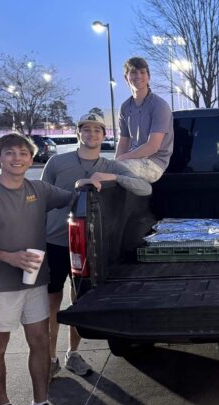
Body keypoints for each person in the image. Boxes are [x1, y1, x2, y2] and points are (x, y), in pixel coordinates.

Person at [42, 113, 152, 379]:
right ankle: (49, 357)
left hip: (89, 246)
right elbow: (40, 198)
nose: (91, 134)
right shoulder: (58, 162)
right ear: (79, 132)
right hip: (56, 242)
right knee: (50, 301)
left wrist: (111, 177)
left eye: (97, 130)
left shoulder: (109, 165)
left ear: (104, 135)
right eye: (86, 129)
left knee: (79, 300)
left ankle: (73, 354)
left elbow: (144, 188)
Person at [0, 134, 71, 405]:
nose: (17, 158)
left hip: (35, 282)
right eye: (9, 153)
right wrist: (8, 257)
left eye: (22, 153)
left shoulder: (39, 189)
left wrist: (95, 180)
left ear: (32, 159)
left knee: (40, 342)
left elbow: (74, 197)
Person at [116, 56, 174, 182]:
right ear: (126, 77)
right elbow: (123, 142)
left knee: (114, 170)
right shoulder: (125, 107)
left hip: (154, 163)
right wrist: (117, 159)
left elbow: (152, 147)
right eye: (133, 72)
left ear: (149, 77)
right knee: (106, 168)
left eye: (142, 72)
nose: (138, 76)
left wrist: (122, 159)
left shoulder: (159, 105)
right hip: (133, 161)